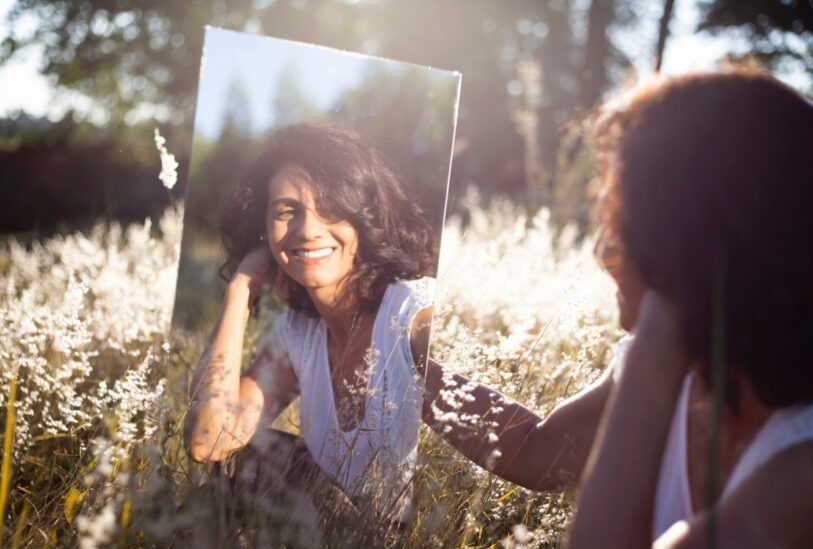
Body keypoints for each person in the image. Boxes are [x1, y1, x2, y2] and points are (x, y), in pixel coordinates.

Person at [420, 69, 813, 548]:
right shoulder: (677, 372)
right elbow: (537, 451)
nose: (601, 249)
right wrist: (412, 368)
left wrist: (658, 337)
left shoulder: (800, 469)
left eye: (621, 222)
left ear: (698, 237)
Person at [183, 123, 438, 523]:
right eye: (286, 211)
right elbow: (208, 440)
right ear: (264, 232)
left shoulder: (414, 313)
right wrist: (241, 288)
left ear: (364, 216)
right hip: (343, 533)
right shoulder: (298, 336)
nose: (308, 229)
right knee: (245, 465)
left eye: (331, 206)